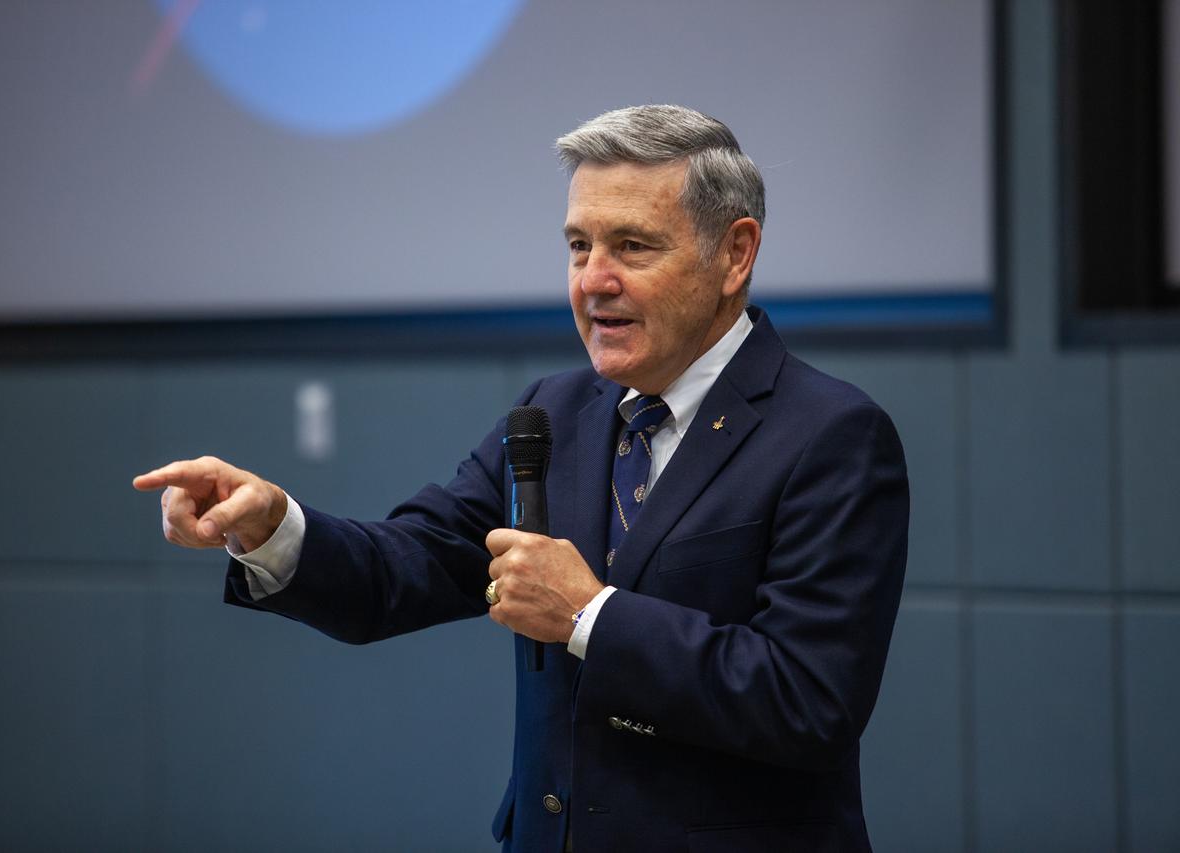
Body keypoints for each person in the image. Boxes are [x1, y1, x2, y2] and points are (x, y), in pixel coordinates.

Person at [134, 104, 909, 853]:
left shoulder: (830, 434)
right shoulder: (555, 413)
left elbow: (808, 701)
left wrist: (589, 614)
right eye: (578, 246)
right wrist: (274, 527)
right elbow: (406, 566)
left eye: (632, 246)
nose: (593, 280)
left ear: (735, 254)